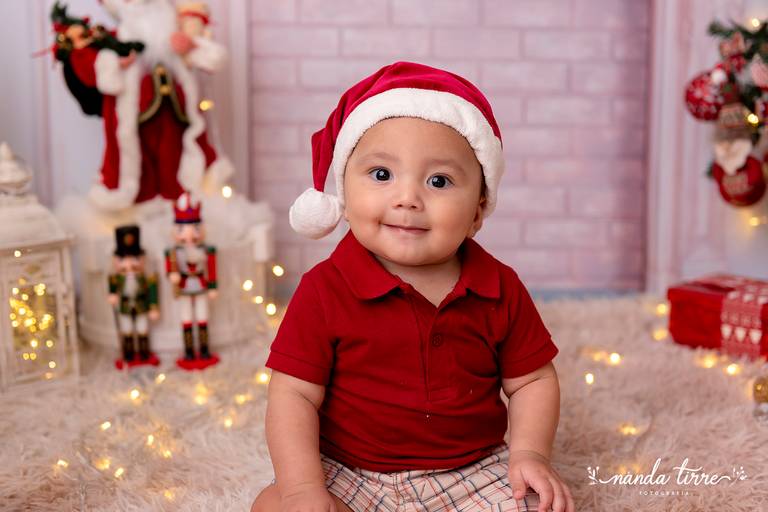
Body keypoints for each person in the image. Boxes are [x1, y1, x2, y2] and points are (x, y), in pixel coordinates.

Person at [252, 62, 574, 512]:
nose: (407, 198)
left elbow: (533, 381)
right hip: (347, 468)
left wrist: (529, 453)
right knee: (276, 506)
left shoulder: (499, 286)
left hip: (470, 469)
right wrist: (304, 487)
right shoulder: (324, 289)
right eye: (381, 175)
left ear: (479, 211)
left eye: (438, 181)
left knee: (538, 504)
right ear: (343, 195)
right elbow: (294, 394)